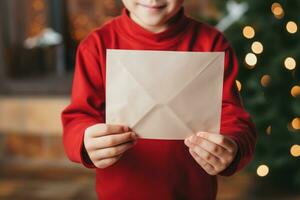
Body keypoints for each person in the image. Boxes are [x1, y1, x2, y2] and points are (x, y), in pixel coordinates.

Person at [61, 0, 257, 199]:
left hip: (192, 192)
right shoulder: (95, 45)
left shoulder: (213, 43)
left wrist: (232, 146)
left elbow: (234, 118)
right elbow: (78, 117)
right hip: (120, 193)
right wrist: (84, 141)